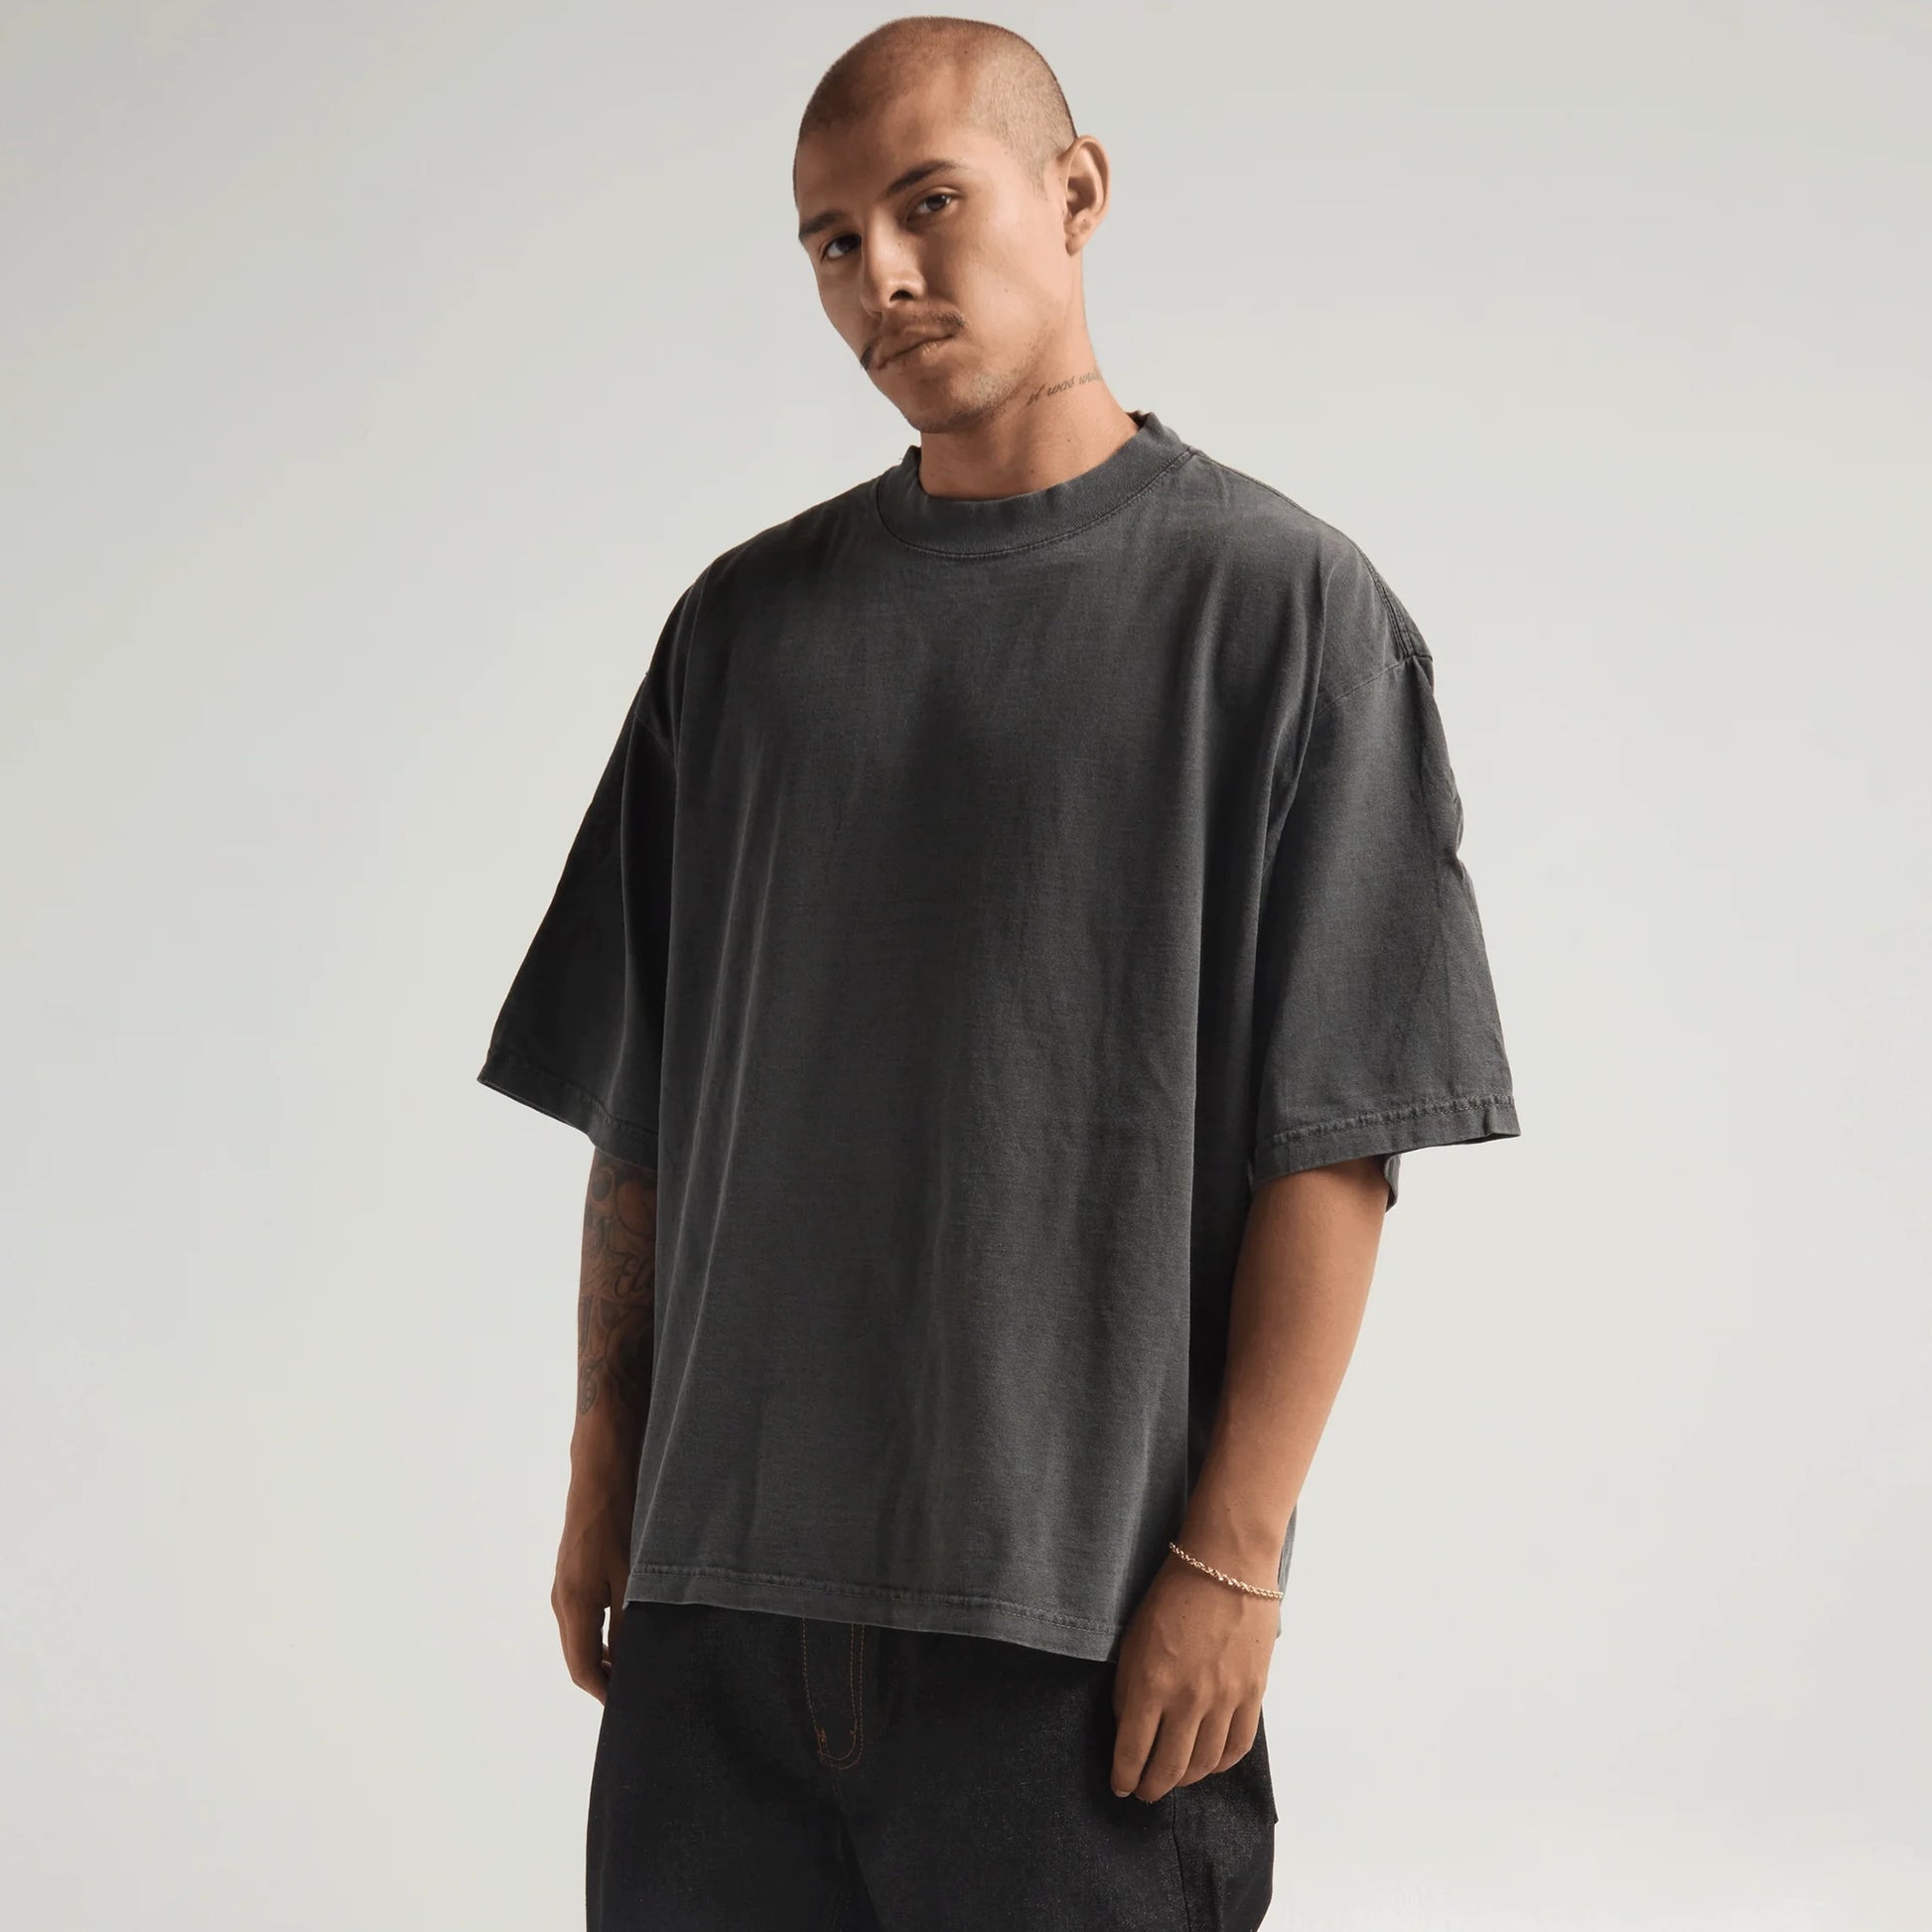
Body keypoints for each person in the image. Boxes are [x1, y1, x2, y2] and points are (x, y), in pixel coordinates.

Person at [476, 16, 1521, 1930]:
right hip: (714, 1628)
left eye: (927, 205)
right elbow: (642, 1103)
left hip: (1066, 1636)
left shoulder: (1280, 611)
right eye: (829, 239)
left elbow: (1339, 1135)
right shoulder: (739, 633)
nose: (877, 274)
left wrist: (1233, 1557)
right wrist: (601, 1465)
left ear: (1077, 190)